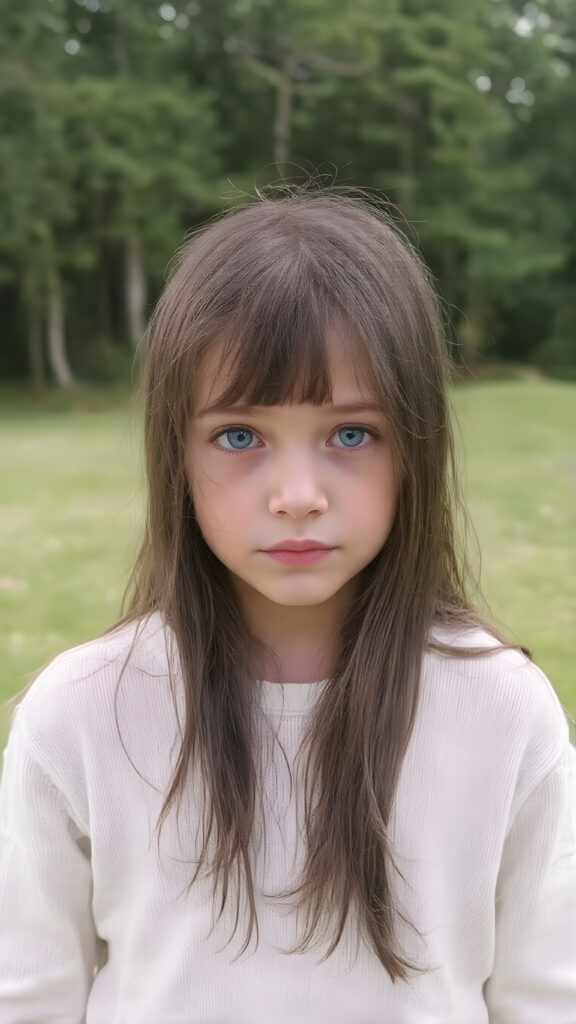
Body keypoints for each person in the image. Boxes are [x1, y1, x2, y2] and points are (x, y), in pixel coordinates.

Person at [0, 190, 575, 1024]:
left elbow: (547, 999)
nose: (298, 495)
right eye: (240, 436)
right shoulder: (81, 713)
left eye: (351, 434)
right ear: (175, 454)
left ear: (416, 447)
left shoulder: (503, 710)